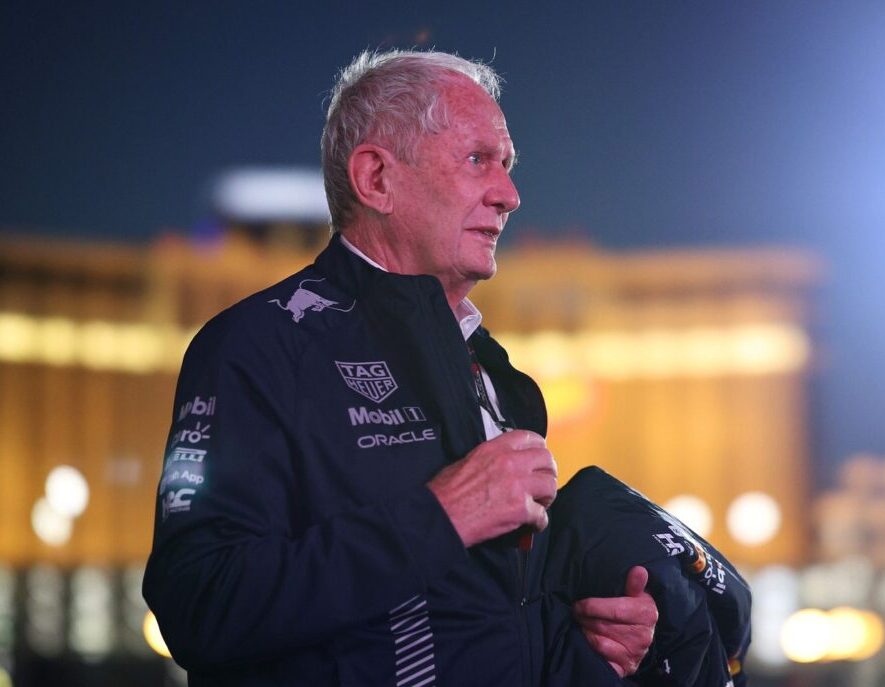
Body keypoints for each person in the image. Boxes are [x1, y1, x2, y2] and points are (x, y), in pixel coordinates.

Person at [143, 49, 657, 686]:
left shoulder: (498, 376)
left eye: (508, 166)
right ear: (377, 179)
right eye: (478, 160)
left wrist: (588, 640)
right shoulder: (255, 348)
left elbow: (482, 625)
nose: (510, 195)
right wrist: (440, 516)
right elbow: (201, 602)